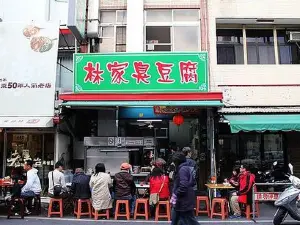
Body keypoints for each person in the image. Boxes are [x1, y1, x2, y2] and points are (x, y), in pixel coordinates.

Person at [171, 152, 199, 225]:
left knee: (189, 220)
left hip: (183, 200)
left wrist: (176, 194)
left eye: (174, 162)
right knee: (177, 220)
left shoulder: (182, 169)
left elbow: (183, 185)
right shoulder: (186, 168)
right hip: (184, 200)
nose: (173, 164)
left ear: (177, 161)